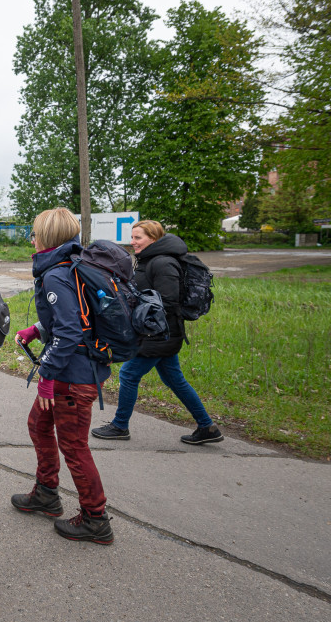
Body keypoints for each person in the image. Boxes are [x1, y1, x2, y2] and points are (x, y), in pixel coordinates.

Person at [12, 207, 114, 544]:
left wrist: (46, 377)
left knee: (74, 445)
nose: (31, 238)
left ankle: (95, 518)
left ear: (46, 238)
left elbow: (69, 333)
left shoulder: (56, 274)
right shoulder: (70, 265)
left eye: (35, 232)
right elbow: (70, 320)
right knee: (38, 425)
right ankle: (46, 492)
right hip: (75, 371)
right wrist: (36, 329)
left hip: (73, 376)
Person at [92, 220, 223, 445]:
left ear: (153, 238)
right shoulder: (149, 260)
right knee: (174, 378)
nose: (132, 243)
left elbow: (168, 300)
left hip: (159, 333)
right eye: (132, 238)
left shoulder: (162, 263)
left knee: (129, 374)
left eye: (138, 238)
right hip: (159, 333)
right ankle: (207, 426)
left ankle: (120, 426)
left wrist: (141, 315)